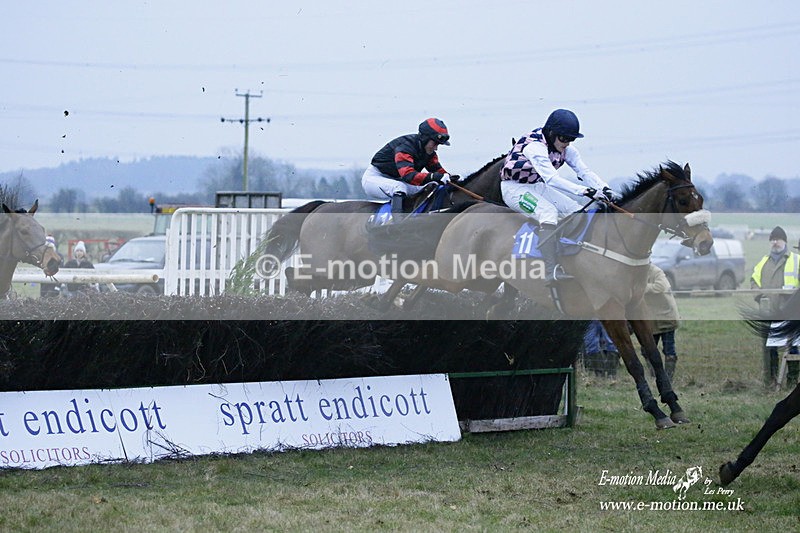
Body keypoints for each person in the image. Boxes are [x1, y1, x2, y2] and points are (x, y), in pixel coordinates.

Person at [500, 109, 618, 284]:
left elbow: (584, 171)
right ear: (551, 133)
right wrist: (585, 191)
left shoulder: (567, 149)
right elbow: (552, 179)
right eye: (564, 138)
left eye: (571, 139)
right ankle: (550, 270)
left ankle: (567, 256)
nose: (567, 143)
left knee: (577, 211)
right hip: (514, 188)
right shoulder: (535, 147)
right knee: (548, 213)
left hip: (536, 185)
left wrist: (605, 189)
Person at [362, 118, 457, 214]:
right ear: (425, 139)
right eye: (435, 143)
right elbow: (408, 175)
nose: (436, 148)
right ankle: (397, 222)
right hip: (375, 178)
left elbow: (438, 171)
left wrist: (450, 177)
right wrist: (434, 176)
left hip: (399, 180)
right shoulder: (405, 148)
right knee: (398, 188)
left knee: (430, 186)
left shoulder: (429, 152)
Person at [751, 226, 800, 386]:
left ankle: (791, 382)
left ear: (785, 241)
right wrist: (758, 295)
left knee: (793, 348)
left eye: (777, 239)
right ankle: (771, 382)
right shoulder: (763, 262)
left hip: (791, 313)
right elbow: (754, 280)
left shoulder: (796, 259)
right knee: (769, 349)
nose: (774, 242)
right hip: (769, 312)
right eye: (772, 239)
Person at [644, 263, 681, 380]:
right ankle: (655, 375)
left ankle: (668, 378)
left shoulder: (656, 272)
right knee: (646, 350)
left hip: (666, 316)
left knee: (669, 349)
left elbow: (661, 286)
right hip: (651, 319)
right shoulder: (634, 274)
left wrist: (643, 288)